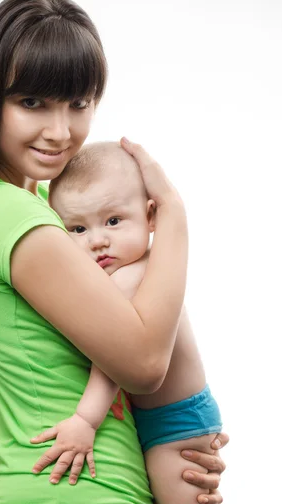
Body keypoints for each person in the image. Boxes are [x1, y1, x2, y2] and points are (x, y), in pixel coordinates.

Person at [0, 0, 228, 504]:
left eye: (79, 104)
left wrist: (178, 440)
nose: (60, 131)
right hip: (78, 487)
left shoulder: (36, 209)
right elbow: (144, 361)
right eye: (31, 103)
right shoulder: (10, 215)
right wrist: (172, 214)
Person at [28, 141, 222, 504]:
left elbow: (115, 360)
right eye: (77, 229)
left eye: (113, 221)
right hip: (153, 417)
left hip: (175, 425)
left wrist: (85, 420)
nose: (98, 241)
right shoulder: (113, 276)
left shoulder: (134, 275)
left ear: (151, 216)